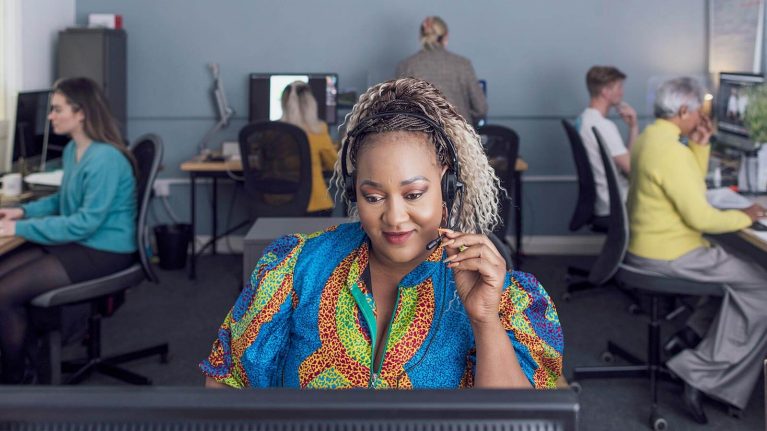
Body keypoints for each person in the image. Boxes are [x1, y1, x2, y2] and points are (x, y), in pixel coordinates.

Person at [200, 78, 562, 389]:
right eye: (372, 197)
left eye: (413, 194)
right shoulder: (296, 268)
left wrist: (485, 320)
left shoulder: (503, 297)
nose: (394, 217)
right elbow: (225, 384)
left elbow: (518, 421)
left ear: (447, 187)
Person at [625, 77, 767, 423]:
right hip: (670, 254)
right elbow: (700, 215)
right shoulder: (670, 150)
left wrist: (699, 145)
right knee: (761, 286)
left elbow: (688, 187)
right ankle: (698, 370)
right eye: (698, 112)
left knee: (740, 271)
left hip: (651, 245)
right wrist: (746, 214)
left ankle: (691, 337)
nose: (702, 117)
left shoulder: (652, 137)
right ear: (684, 110)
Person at [0, 77, 138, 384]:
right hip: (82, 242)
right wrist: (22, 210)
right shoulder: (74, 150)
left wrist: (17, 226)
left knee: (4, 295)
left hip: (105, 250)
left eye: (57, 109)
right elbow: (62, 201)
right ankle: (28, 364)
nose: (50, 117)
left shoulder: (105, 159)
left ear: (82, 113)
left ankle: (14, 382)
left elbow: (85, 222)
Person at [396, 16, 488, 125]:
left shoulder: (406, 65)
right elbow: (481, 108)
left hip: (421, 136)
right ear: (446, 37)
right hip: (459, 135)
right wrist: (465, 118)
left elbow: (398, 109)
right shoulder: (463, 64)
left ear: (421, 37)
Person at [577, 66, 639, 217]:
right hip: (616, 199)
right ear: (605, 91)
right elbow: (632, 169)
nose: (622, 92)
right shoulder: (602, 126)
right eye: (619, 87)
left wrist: (633, 127)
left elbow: (626, 161)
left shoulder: (584, 119)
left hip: (605, 197)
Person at [280, 81, 338, 215]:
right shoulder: (318, 130)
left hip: (278, 204)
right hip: (314, 204)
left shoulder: (272, 132)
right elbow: (334, 165)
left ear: (284, 104)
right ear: (311, 105)